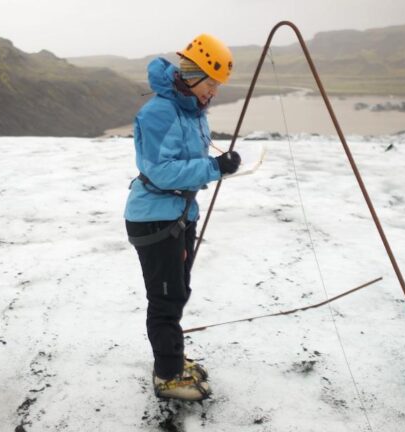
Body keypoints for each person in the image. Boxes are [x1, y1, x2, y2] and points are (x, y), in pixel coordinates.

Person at [124, 33, 240, 401]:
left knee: (177, 292)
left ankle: (171, 359)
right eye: (211, 85)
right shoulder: (161, 112)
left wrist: (219, 164)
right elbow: (161, 171)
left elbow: (190, 159)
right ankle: (168, 376)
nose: (214, 93)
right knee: (166, 298)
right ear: (194, 78)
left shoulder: (189, 110)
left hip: (178, 214)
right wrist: (213, 167)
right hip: (155, 219)